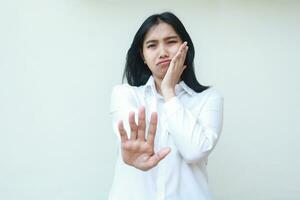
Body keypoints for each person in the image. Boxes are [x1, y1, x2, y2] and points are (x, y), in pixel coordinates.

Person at [109, 12, 223, 200]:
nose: (163, 52)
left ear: (185, 48)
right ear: (143, 55)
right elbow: (133, 142)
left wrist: (168, 91)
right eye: (152, 45)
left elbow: (194, 152)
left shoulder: (209, 99)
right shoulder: (125, 94)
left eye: (171, 42)